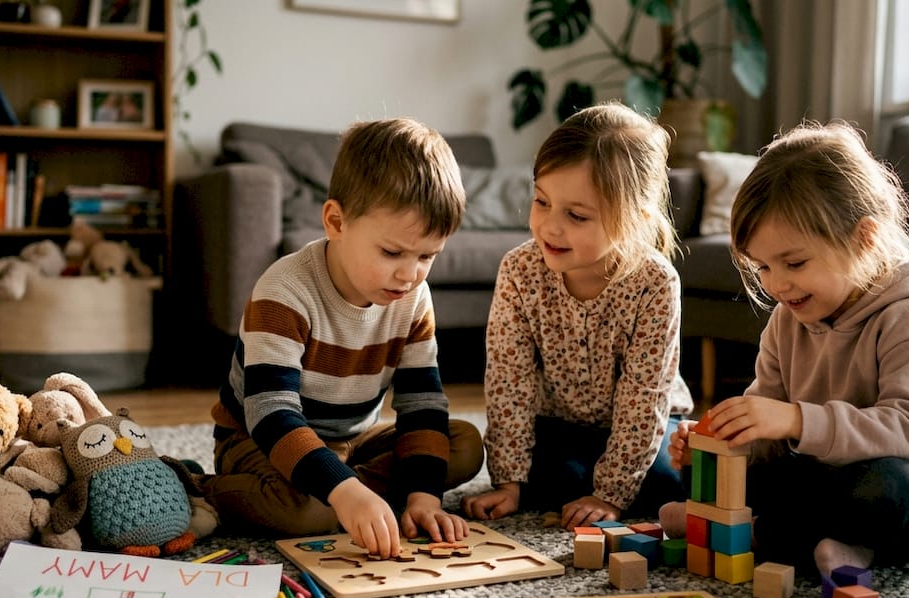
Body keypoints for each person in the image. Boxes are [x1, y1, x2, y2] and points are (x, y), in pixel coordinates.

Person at [660, 120, 909, 578]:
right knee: (729, 471)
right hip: (824, 474)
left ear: (864, 238)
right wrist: (723, 440)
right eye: (762, 268)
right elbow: (773, 436)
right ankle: (817, 539)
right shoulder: (788, 318)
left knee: (881, 488)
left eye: (794, 263)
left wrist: (795, 418)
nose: (776, 285)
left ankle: (760, 535)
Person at [200, 117, 484, 558]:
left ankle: (342, 489)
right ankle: (201, 489)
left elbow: (422, 403)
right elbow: (271, 414)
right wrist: (346, 491)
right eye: (392, 252)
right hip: (259, 441)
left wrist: (424, 496)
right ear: (336, 221)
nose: (409, 274)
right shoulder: (285, 290)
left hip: (349, 441)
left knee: (464, 444)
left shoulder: (413, 297)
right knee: (307, 517)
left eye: (427, 256)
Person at [462, 101, 694, 530]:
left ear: (635, 220)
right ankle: (564, 478)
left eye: (576, 215)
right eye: (541, 202)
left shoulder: (656, 283)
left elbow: (645, 398)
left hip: (645, 424)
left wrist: (611, 494)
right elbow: (508, 382)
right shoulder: (519, 270)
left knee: (671, 477)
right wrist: (509, 481)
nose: (550, 226)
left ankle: (611, 479)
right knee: (542, 475)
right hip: (559, 424)